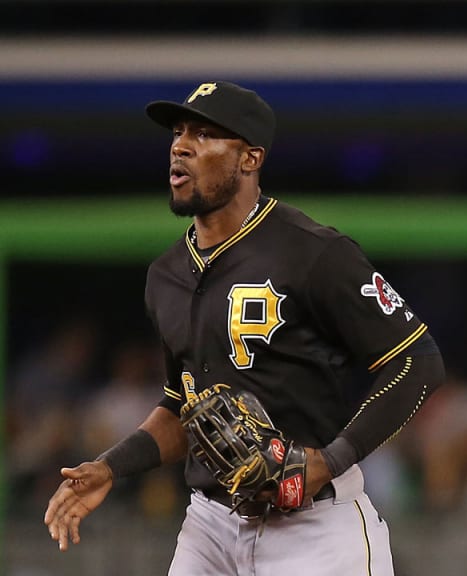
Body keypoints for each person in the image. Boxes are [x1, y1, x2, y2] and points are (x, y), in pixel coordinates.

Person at [44, 81, 445, 575]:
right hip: (209, 527)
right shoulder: (165, 275)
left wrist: (330, 460)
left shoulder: (314, 252)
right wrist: (111, 466)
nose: (181, 145)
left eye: (206, 134)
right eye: (178, 132)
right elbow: (181, 407)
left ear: (250, 158)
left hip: (315, 528)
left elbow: (418, 361)